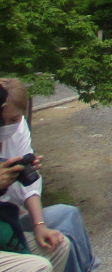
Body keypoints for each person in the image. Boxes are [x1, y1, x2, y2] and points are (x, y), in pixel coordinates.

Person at [0, 81, 82, 272]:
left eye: (15, 119)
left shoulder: (18, 129)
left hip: (8, 215)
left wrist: (39, 225)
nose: (8, 126)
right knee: (39, 266)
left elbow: (29, 187)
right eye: (5, 120)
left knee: (61, 237)